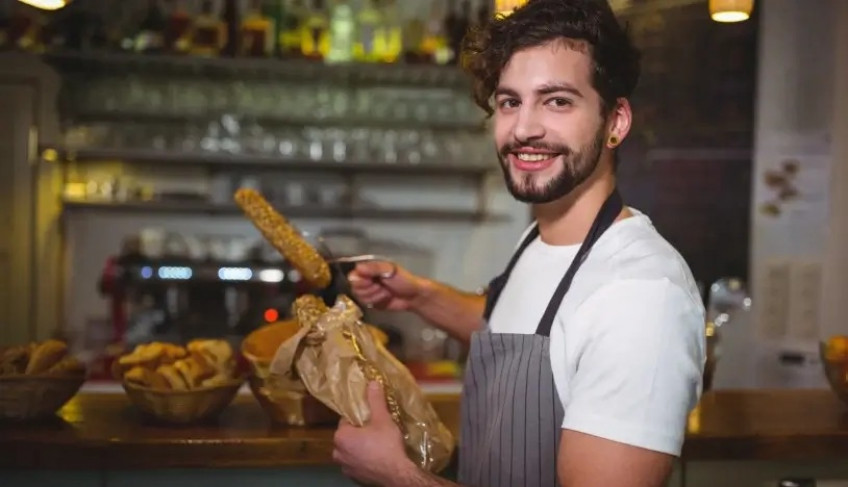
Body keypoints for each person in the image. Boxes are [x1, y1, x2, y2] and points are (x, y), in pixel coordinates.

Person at [331, 1, 706, 486]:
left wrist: (394, 474)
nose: (524, 128)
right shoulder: (542, 237)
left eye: (557, 101)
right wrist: (421, 296)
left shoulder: (641, 296)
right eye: (510, 102)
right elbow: (524, 330)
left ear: (615, 121)